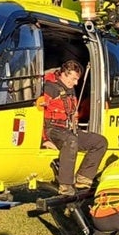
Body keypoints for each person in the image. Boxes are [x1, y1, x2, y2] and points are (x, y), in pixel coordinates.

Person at [42, 60, 108, 196]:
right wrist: (44, 140)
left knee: (100, 142)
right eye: (74, 79)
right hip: (52, 129)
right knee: (71, 140)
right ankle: (65, 185)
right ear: (64, 74)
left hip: (68, 130)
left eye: (78, 80)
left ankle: (83, 178)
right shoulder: (48, 88)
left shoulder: (69, 89)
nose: (76, 83)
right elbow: (38, 116)